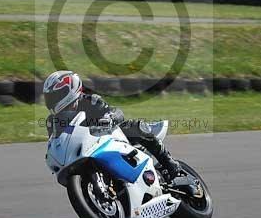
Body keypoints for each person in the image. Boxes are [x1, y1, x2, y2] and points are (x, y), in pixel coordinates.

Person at [43, 70, 184, 181]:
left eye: (55, 96)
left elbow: (116, 113)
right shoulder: (52, 121)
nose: (52, 101)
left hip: (109, 139)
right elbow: (56, 141)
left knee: (135, 127)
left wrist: (109, 118)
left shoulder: (90, 101)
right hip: (84, 152)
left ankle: (170, 164)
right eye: (50, 98)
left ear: (70, 90)